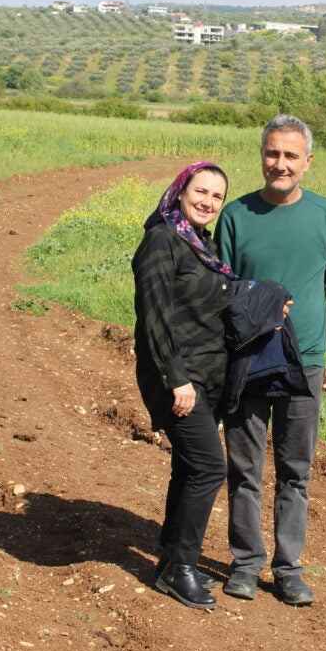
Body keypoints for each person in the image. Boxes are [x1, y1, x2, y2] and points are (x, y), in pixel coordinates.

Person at [215, 114, 326, 605]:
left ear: (308, 162)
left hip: (307, 359)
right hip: (248, 358)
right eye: (272, 153)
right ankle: (246, 563)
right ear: (262, 157)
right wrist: (258, 299)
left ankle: (288, 567)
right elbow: (220, 287)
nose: (280, 164)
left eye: (290, 155)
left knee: (296, 469)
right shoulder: (235, 215)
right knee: (245, 467)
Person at [132, 161, 234, 611]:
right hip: (176, 377)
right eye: (201, 191)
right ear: (180, 191)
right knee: (210, 468)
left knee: (190, 468)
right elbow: (153, 318)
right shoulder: (162, 241)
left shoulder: (201, 245)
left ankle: (171, 563)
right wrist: (177, 379)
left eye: (217, 196)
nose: (208, 202)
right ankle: (181, 567)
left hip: (205, 377)